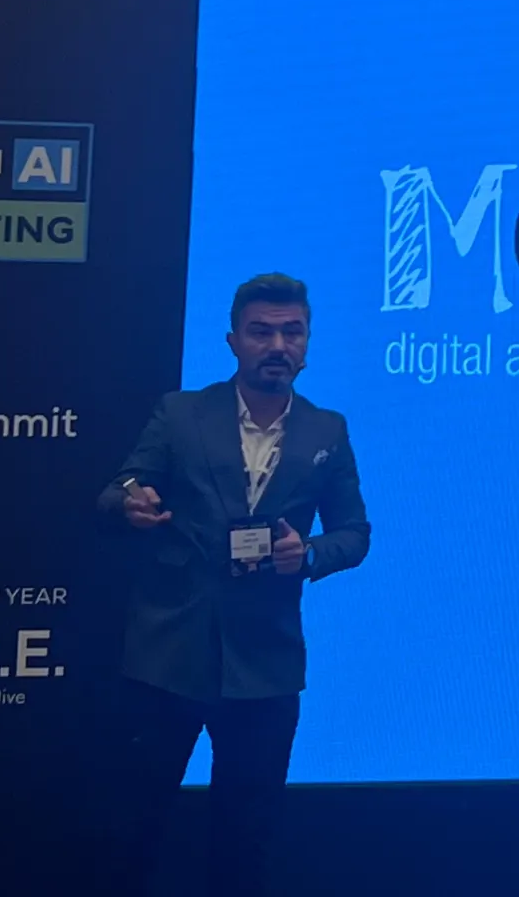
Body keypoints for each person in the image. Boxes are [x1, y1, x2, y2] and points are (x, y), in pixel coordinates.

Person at [97, 272, 370, 896]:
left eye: (292, 332)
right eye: (261, 332)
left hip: (266, 665)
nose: (278, 345)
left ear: (307, 342)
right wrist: (129, 504)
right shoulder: (181, 413)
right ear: (233, 341)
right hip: (168, 656)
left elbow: (354, 534)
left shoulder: (328, 431)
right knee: (131, 826)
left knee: (246, 838)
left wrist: (309, 554)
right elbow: (118, 489)